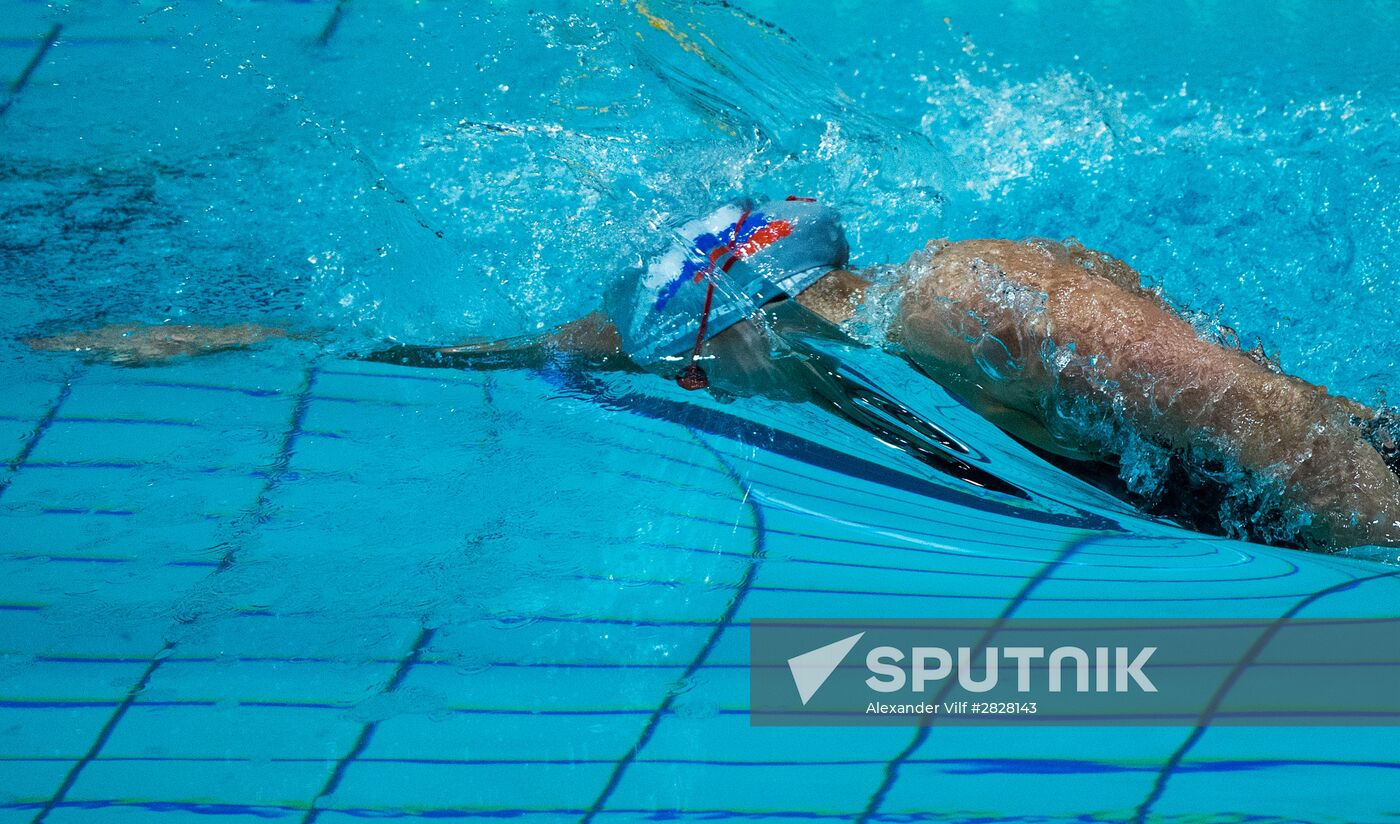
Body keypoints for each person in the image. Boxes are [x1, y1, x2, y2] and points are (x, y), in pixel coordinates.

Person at [26, 197, 1400, 549]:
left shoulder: (973, 307)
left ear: (745, 323)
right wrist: (262, 341)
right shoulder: (847, 331)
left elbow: (1261, 421)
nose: (698, 385)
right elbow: (569, 347)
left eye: (696, 359)